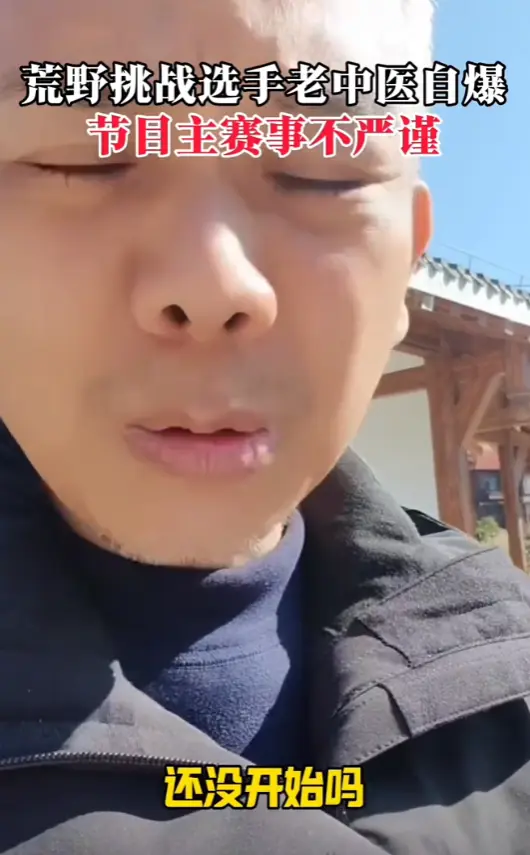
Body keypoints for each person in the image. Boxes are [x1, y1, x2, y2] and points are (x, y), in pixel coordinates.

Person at [0, 0, 529, 852]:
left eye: (320, 172)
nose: (214, 283)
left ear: (408, 260)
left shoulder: (513, 687)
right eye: (85, 160)